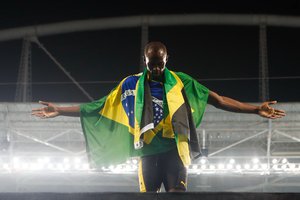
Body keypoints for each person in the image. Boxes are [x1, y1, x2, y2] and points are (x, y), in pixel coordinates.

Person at [32, 41, 286, 192]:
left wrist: (255, 108)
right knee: (148, 194)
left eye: (160, 63)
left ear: (166, 59)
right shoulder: (129, 85)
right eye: (151, 63)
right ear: (144, 59)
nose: (156, 67)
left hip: (175, 150)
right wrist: (60, 110)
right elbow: (98, 107)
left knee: (178, 193)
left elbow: (218, 100)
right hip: (147, 152)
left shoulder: (182, 81)